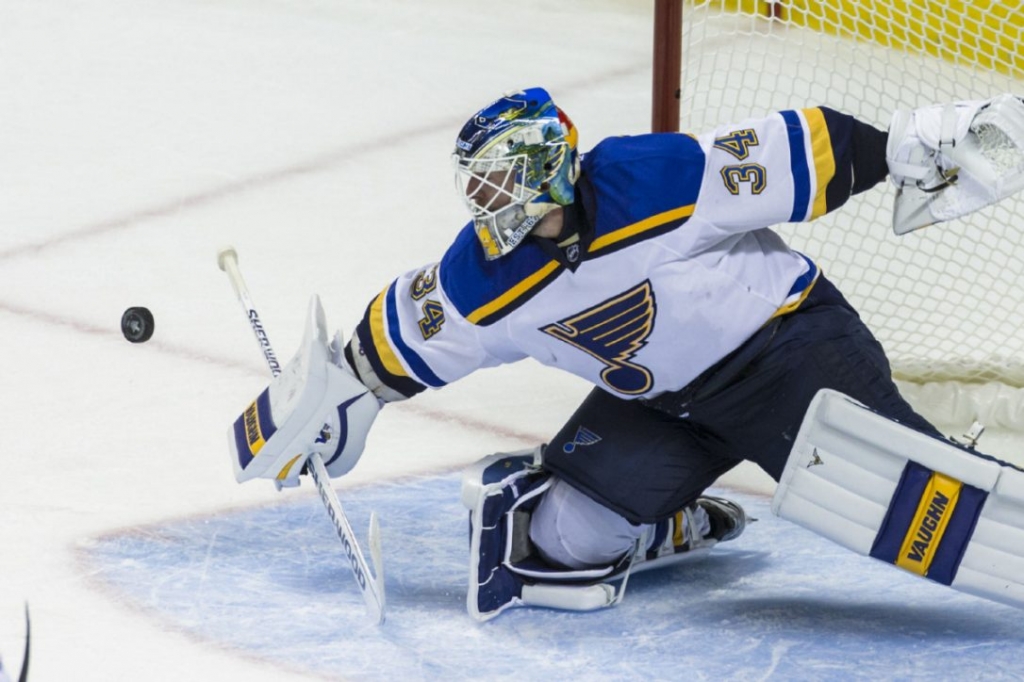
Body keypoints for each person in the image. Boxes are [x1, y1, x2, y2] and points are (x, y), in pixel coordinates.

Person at [230, 87, 1024, 620]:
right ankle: (674, 524)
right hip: (670, 410)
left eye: (501, 183)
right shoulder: (483, 276)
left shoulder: (652, 178)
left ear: (551, 166)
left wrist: (899, 150)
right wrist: (338, 394)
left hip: (789, 355)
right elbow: (402, 332)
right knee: (550, 550)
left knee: (928, 500)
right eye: (478, 187)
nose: (487, 203)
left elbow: (798, 154)